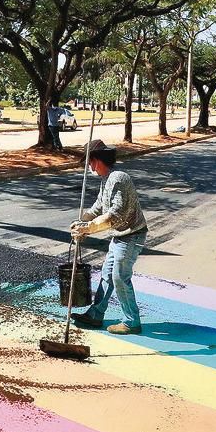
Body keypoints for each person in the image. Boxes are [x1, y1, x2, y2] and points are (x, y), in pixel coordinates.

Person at [69, 139, 149, 335]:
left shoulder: (118, 178)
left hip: (131, 235)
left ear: (96, 160)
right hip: (119, 236)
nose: (88, 166)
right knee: (107, 276)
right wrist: (82, 221)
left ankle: (132, 322)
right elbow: (99, 206)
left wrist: (88, 228)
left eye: (89, 161)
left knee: (120, 277)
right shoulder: (106, 180)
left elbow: (116, 214)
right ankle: (96, 315)